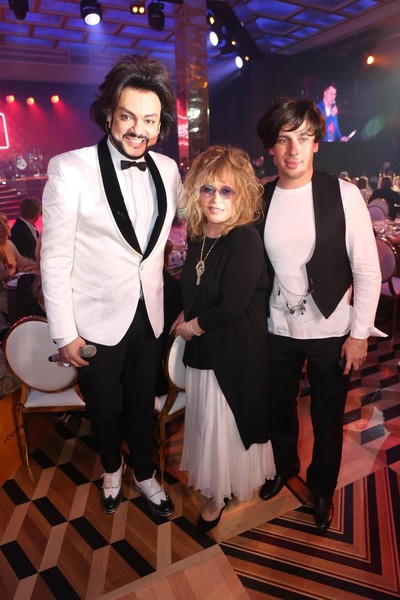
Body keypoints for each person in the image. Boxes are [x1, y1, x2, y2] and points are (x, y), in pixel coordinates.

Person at [40, 55, 184, 516]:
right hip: (94, 320)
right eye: (128, 116)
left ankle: (144, 473)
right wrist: (64, 333)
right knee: (104, 408)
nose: (139, 129)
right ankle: (111, 470)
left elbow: (196, 219)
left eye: (150, 120)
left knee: (142, 402)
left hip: (150, 314)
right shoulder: (70, 169)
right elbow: (54, 259)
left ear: (160, 125)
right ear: (108, 115)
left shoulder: (168, 169)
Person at [256, 97, 383, 530]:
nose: (293, 149)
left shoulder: (343, 194)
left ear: (315, 144)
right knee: (278, 409)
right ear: (271, 147)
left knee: (327, 417)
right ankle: (283, 467)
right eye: (284, 139)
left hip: (331, 328)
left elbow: (367, 269)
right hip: (276, 326)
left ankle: (322, 486)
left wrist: (359, 333)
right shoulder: (261, 198)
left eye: (303, 138)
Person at [172, 145, 275, 532]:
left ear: (240, 194)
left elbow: (232, 306)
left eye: (226, 190)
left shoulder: (245, 238)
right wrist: (185, 313)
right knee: (208, 423)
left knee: (226, 421)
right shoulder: (199, 235)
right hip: (206, 346)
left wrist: (190, 327)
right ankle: (218, 482)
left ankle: (219, 493)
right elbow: (198, 287)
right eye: (208, 189)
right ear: (197, 192)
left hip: (236, 350)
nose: (216, 199)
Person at [0, 212, 35, 316]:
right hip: (4, 306)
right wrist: (4, 276)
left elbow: (24, 264)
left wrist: (41, 264)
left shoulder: (9, 244)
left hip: (15, 298)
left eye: (5, 221)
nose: (4, 226)